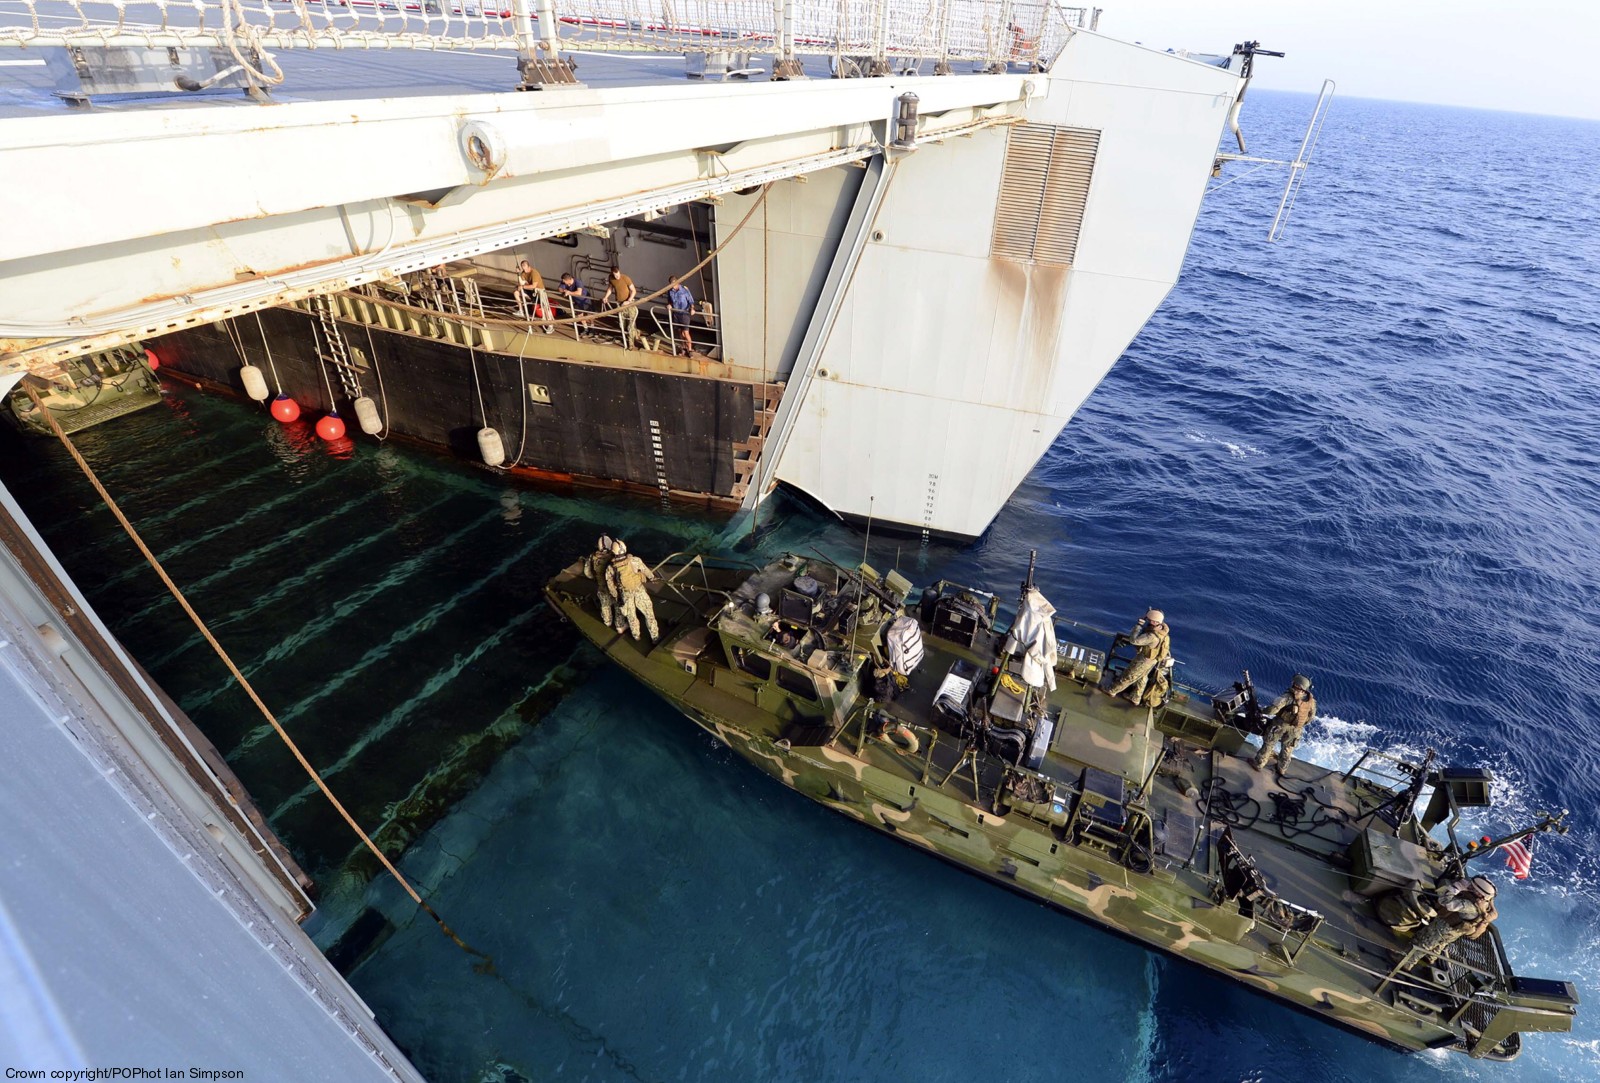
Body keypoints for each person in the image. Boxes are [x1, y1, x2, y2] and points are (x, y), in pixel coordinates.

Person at [1411, 875, 1498, 964]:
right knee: (1441, 943)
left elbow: (1444, 901)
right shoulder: (1485, 905)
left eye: (1473, 887)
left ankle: (1408, 962)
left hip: (1444, 928)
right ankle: (1430, 957)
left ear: (1479, 894)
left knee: (1425, 944)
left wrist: (1457, 887)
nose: (1470, 887)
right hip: (1455, 931)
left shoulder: (1469, 905)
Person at [1251, 673, 1317, 773]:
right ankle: (1282, 768)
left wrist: (1261, 711)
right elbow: (1311, 717)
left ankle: (1258, 763)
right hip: (1296, 729)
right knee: (1288, 748)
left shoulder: (1287, 697)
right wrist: (1298, 724)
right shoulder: (1311, 701)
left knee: (1269, 743)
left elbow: (1272, 710)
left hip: (1281, 724)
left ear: (1296, 685)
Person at [1106, 608, 1170, 705]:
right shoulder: (1163, 632)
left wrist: (1139, 625)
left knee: (1129, 676)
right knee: (1142, 677)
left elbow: (1134, 641)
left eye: (1149, 619)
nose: (1148, 621)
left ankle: (1112, 690)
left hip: (1144, 660)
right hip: (1153, 660)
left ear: (1154, 621)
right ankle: (1135, 698)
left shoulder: (1151, 636)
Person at [605, 537, 659, 641]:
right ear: (625, 549)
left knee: (631, 616)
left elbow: (610, 585)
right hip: (639, 590)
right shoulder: (635, 560)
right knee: (649, 614)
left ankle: (636, 636)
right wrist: (652, 578)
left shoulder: (611, 567)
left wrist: (616, 595)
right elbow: (646, 571)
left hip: (625, 593)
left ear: (613, 552)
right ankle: (655, 637)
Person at [581, 533, 618, 629]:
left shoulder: (592, 557)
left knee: (605, 605)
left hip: (601, 586)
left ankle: (608, 621)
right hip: (614, 586)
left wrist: (596, 577)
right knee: (618, 605)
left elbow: (587, 573)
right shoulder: (614, 557)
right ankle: (620, 625)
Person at [602, 266, 639, 348]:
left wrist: (628, 301)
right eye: (615, 275)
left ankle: (631, 344)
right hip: (620, 304)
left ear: (619, 272)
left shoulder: (625, 278)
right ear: (612, 273)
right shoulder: (611, 278)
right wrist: (606, 297)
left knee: (631, 324)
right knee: (622, 324)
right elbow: (610, 288)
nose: (617, 277)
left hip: (629, 304)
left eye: (618, 274)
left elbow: (633, 290)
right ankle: (633, 335)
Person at [515, 260, 553, 333]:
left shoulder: (534, 273)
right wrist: (518, 274)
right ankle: (521, 310)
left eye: (524, 266)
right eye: (522, 266)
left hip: (539, 292)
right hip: (531, 291)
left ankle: (550, 325)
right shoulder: (523, 273)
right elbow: (521, 283)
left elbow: (533, 286)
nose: (523, 268)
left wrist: (523, 286)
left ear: (528, 266)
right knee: (516, 293)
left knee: (545, 308)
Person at [666, 276, 696, 355]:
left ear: (677, 282)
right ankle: (683, 348)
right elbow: (670, 300)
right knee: (680, 332)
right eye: (671, 284)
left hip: (684, 313)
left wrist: (692, 309)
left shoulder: (684, 290)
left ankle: (690, 349)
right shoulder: (670, 291)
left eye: (673, 283)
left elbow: (691, 301)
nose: (672, 286)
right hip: (676, 314)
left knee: (686, 333)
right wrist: (669, 305)